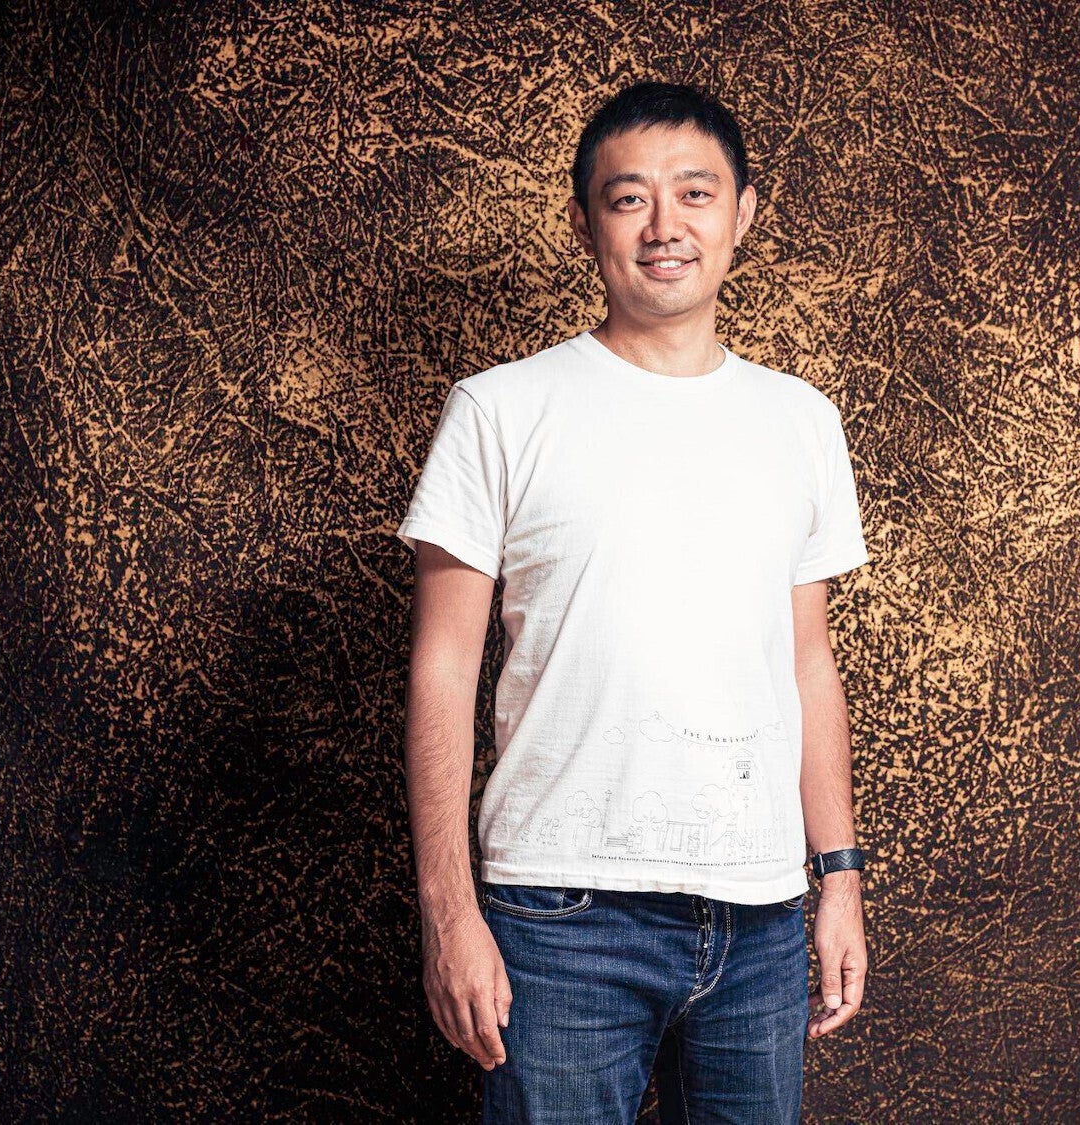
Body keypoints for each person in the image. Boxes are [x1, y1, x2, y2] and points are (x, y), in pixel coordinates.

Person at [397, 80, 871, 1124]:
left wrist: (838, 878)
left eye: (695, 194)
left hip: (760, 919)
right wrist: (448, 911)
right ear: (585, 223)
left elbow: (808, 663)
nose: (665, 227)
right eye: (629, 199)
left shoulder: (801, 421)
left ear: (743, 214)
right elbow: (443, 668)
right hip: (559, 915)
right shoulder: (500, 410)